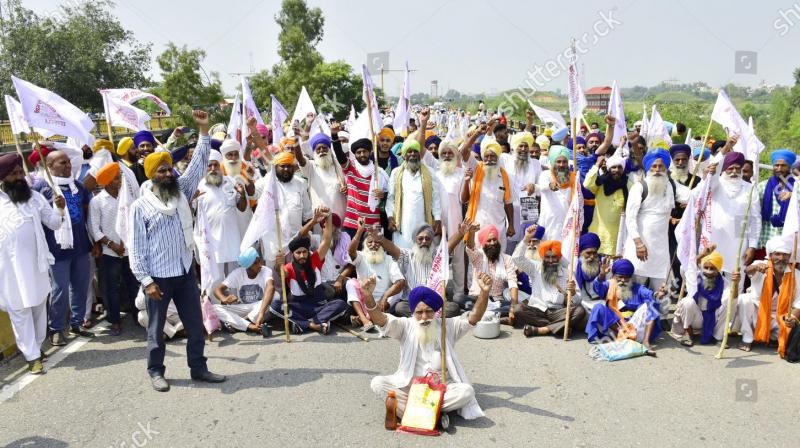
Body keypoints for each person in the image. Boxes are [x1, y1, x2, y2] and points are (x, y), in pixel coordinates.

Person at [129, 110, 226, 392]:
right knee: (156, 331)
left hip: (184, 272)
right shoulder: (140, 206)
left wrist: (204, 131)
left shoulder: (180, 190)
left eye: (169, 168)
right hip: (158, 279)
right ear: (152, 174)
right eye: (162, 170)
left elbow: (196, 166)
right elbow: (136, 248)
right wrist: (146, 282)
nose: (168, 172)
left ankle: (199, 368)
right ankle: (156, 371)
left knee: (196, 327)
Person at [368, 277, 493, 425]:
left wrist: (484, 294)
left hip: (440, 390)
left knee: (466, 391)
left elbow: (473, 317)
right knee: (377, 383)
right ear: (413, 312)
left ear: (436, 311)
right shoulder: (405, 326)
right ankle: (434, 415)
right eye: (419, 312)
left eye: (429, 311)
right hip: (411, 388)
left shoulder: (448, 326)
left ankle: (409, 414)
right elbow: (381, 321)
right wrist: (368, 297)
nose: (424, 317)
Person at [0, 154, 66, 373]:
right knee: (19, 311)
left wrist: (59, 208)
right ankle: (31, 356)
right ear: (3, 178)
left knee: (39, 306)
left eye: (21, 173)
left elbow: (55, 224)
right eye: (14, 174)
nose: (20, 177)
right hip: (9, 270)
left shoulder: (35, 198)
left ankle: (37, 347)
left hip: (37, 266)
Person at [32, 150, 95, 344]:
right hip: (57, 249)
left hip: (81, 245)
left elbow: (86, 211)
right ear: (49, 166)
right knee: (59, 289)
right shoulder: (40, 190)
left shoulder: (78, 186)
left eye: (68, 162)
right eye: (62, 163)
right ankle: (56, 329)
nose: (68, 166)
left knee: (81, 286)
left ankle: (76, 323)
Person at [623, 148, 689, 325]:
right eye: (654, 166)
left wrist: (708, 176)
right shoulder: (639, 187)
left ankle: (661, 318)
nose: (658, 169)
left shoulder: (672, 186)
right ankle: (632, 317)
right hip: (639, 244)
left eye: (661, 166)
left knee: (662, 282)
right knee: (636, 281)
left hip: (660, 246)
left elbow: (693, 196)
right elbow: (630, 217)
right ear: (648, 169)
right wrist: (638, 243)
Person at [270, 212, 349, 334]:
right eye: (298, 253)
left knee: (340, 304)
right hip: (300, 308)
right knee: (276, 305)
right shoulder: (288, 268)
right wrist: (278, 264)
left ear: (308, 252)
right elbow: (281, 273)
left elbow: (327, 239)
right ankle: (315, 325)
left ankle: (303, 324)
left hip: (319, 307)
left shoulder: (315, 260)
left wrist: (328, 216)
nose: (302, 255)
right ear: (293, 254)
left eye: (304, 252)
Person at [89, 162, 139, 336]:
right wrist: (112, 245)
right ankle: (114, 321)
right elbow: (94, 229)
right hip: (109, 252)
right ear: (109, 181)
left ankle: (138, 316)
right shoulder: (97, 201)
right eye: (117, 178)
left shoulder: (127, 198)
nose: (120, 181)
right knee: (110, 288)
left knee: (133, 284)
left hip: (129, 250)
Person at [369, 224, 461, 318]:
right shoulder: (407, 256)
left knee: (453, 308)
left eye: (427, 238)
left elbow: (448, 246)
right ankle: (431, 317)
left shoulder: (437, 254)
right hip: (413, 303)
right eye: (420, 239)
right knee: (400, 308)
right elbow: (392, 248)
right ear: (415, 240)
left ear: (431, 241)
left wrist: (461, 232)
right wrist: (380, 238)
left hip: (433, 301)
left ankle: (422, 316)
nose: (424, 241)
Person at [698, 150, 759, 283]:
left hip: (738, 239)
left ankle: (732, 303)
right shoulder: (716, 184)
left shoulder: (750, 188)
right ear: (724, 169)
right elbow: (712, 174)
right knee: (709, 277)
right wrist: (725, 149)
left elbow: (755, 219)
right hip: (714, 238)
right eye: (730, 168)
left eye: (738, 168)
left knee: (735, 280)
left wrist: (752, 246)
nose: (734, 172)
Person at [736, 236, 800, 356]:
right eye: (777, 254)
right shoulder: (761, 265)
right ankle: (747, 338)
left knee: (790, 333)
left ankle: (771, 337)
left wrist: (792, 318)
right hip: (758, 313)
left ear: (789, 257)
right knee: (744, 299)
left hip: (781, 317)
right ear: (770, 255)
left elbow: (799, 302)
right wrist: (755, 267)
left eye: (785, 255)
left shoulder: (796, 275)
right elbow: (748, 270)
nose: (781, 258)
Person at [195, 150, 247, 293]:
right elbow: (190, 213)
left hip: (232, 240)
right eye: (209, 166)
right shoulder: (199, 187)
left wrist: (242, 194)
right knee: (214, 281)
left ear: (220, 166)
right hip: (211, 244)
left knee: (234, 280)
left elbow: (242, 208)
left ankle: (236, 308)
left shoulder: (230, 183)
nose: (212, 169)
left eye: (215, 165)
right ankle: (215, 311)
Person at [511, 238, 585, 337]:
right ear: (542, 257)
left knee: (579, 311)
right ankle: (559, 327)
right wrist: (526, 238)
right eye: (547, 257)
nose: (550, 260)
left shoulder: (568, 273)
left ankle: (544, 329)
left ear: (559, 258)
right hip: (537, 310)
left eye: (554, 257)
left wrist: (573, 293)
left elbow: (577, 301)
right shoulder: (535, 268)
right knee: (518, 309)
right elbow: (517, 258)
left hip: (558, 312)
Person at [585, 258, 665, 349]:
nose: (623, 280)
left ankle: (645, 341)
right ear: (614, 276)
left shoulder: (638, 288)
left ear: (631, 277)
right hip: (614, 326)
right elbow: (598, 288)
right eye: (620, 276)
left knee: (653, 303)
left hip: (634, 326)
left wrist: (658, 294)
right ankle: (622, 334)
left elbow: (650, 294)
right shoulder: (609, 285)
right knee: (598, 307)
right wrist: (601, 275)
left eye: (626, 277)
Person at [254, 151, 312, 269]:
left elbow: (307, 214)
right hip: (273, 241)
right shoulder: (265, 182)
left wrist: (306, 235)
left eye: (289, 166)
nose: (286, 169)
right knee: (275, 277)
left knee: (295, 274)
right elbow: (252, 195)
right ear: (275, 167)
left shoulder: (300, 184)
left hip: (295, 240)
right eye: (283, 166)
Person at [346, 218, 405, 331]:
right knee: (350, 283)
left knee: (399, 290)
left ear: (382, 245)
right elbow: (351, 251)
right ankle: (364, 320)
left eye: (377, 242)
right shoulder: (361, 256)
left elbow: (400, 281)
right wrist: (359, 231)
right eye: (370, 242)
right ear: (365, 245)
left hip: (383, 303)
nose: (373, 245)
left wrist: (385, 296)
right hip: (364, 301)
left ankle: (373, 318)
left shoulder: (389, 259)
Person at [672, 248, 736, 346]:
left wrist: (737, 283)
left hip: (712, 318)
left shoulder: (724, 283)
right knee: (687, 301)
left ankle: (717, 336)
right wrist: (702, 255)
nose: (708, 271)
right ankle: (688, 333)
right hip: (695, 317)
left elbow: (733, 297)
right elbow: (684, 268)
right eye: (706, 268)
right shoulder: (695, 277)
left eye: (712, 268)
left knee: (733, 301)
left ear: (718, 269)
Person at [387, 139, 441, 250]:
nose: (412, 154)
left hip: (423, 220)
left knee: (423, 252)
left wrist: (437, 218)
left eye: (415, 151)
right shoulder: (396, 173)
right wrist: (390, 217)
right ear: (404, 155)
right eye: (409, 151)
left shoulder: (430, 172)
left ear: (419, 154)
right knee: (403, 254)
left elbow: (435, 197)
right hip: (403, 223)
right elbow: (391, 197)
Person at [331, 133, 389, 238]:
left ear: (370, 152)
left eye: (364, 151)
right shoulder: (350, 167)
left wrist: (383, 195)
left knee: (374, 253)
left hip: (374, 224)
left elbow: (388, 194)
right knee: (350, 254)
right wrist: (334, 135)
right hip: (352, 222)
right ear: (355, 154)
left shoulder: (378, 171)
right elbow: (339, 154)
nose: (362, 154)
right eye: (358, 152)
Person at [461, 133, 514, 248]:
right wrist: (478, 133)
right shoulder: (476, 169)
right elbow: (464, 152)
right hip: (477, 226)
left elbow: (508, 203)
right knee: (477, 260)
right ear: (483, 157)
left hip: (498, 226)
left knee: (499, 259)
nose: (489, 159)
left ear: (498, 158)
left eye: (493, 156)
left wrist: (511, 225)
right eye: (487, 156)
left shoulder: (504, 176)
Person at [459, 224, 518, 318]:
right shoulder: (478, 256)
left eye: (494, 239)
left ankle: (482, 313)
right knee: (458, 298)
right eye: (489, 240)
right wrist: (471, 233)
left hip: (496, 301)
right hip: (477, 298)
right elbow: (470, 247)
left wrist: (513, 307)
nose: (492, 243)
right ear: (483, 243)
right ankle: (493, 313)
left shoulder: (507, 259)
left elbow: (512, 282)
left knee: (516, 306)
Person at [213, 248, 275, 334]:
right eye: (255, 263)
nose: (260, 265)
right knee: (215, 308)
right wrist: (224, 299)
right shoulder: (238, 273)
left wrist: (261, 314)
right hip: (242, 308)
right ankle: (250, 326)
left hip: (259, 308)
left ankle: (239, 323)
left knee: (273, 297)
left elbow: (270, 287)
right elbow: (217, 289)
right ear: (248, 266)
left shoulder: (266, 270)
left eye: (259, 261)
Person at [500, 130, 542, 253]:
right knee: (509, 245)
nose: (523, 149)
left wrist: (534, 186)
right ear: (514, 147)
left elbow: (541, 185)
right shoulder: (505, 159)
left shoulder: (535, 163)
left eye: (526, 146)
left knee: (527, 244)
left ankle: (524, 272)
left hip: (529, 208)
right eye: (521, 146)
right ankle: (509, 271)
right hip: (510, 209)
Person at [294, 130, 346, 219]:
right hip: (321, 218)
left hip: (341, 214)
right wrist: (295, 142)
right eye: (318, 149)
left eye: (324, 148)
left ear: (329, 150)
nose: (321, 151)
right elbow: (300, 159)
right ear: (314, 152)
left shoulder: (338, 165)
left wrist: (346, 189)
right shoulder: (311, 167)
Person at [584, 153, 627, 256]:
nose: (616, 170)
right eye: (613, 167)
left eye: (619, 167)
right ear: (608, 168)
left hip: (618, 237)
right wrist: (597, 165)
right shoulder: (601, 183)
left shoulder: (628, 184)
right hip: (599, 234)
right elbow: (587, 184)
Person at [758, 149, 796, 255]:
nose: (779, 168)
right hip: (766, 240)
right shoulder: (762, 186)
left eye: (783, 165)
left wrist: (793, 195)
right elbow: (755, 214)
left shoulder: (797, 187)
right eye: (776, 165)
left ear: (789, 167)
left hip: (789, 243)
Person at [536, 145, 575, 242]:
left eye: (564, 162)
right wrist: (550, 186)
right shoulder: (545, 175)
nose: (561, 165)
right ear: (553, 162)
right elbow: (542, 186)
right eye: (558, 162)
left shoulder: (574, 178)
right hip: (549, 223)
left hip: (568, 223)